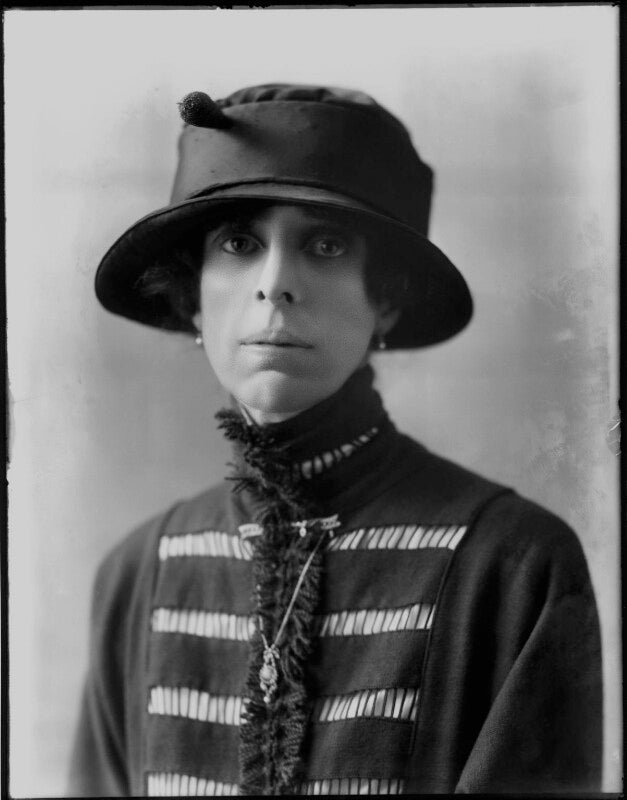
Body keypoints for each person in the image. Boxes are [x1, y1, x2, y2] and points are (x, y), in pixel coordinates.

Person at [69, 84, 603, 797]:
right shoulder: (137, 576)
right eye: (239, 243)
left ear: (385, 298)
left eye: (325, 245)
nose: (275, 285)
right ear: (193, 297)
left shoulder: (514, 567)